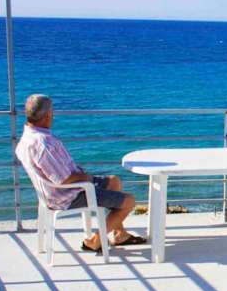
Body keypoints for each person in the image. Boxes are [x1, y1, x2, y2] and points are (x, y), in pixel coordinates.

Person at [15, 94, 145, 253]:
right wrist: (87, 177)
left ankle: (119, 234)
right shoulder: (43, 144)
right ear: (48, 114)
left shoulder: (27, 137)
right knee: (129, 201)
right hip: (67, 196)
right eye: (52, 112)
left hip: (53, 191)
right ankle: (95, 242)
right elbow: (64, 180)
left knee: (114, 181)